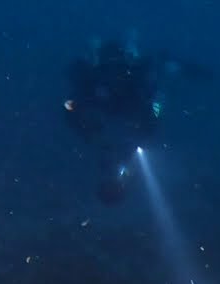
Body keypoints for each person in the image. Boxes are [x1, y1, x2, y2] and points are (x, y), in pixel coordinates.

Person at [64, 37, 201, 205]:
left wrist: (86, 127)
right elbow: (71, 106)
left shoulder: (118, 85)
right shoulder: (104, 86)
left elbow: (71, 106)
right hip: (123, 105)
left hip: (123, 104)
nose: (114, 75)